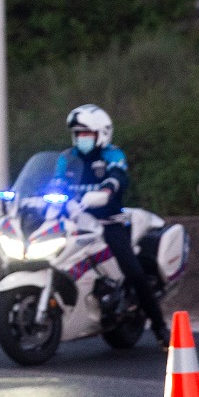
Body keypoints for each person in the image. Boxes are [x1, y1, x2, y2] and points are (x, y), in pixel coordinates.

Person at [58, 104, 167, 345]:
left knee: (133, 271)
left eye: (86, 134)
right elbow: (54, 183)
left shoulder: (112, 155)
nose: (80, 139)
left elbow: (118, 176)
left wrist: (107, 189)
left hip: (109, 223)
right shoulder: (67, 158)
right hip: (76, 222)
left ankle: (160, 328)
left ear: (102, 133)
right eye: (78, 134)